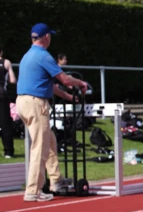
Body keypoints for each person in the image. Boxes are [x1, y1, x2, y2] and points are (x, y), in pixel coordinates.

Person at [16, 24, 88, 202]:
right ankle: (33, 190)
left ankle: (56, 180)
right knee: (40, 147)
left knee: (50, 142)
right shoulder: (43, 56)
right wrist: (80, 83)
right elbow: (63, 78)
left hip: (23, 101)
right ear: (46, 36)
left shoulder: (28, 55)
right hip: (35, 103)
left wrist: (68, 97)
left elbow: (51, 86)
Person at [0, 46, 18, 158]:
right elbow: (12, 80)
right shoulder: (6, 62)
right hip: (2, 94)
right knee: (5, 124)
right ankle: (8, 151)